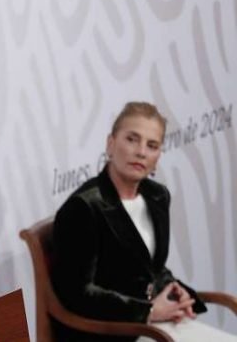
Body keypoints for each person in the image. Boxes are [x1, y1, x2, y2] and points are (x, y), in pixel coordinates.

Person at [52, 101, 237, 341]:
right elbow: (75, 293)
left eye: (152, 145)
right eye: (132, 139)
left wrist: (173, 289)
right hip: (103, 333)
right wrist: (146, 311)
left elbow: (150, 268)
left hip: (151, 327)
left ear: (158, 155)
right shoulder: (83, 207)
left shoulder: (157, 196)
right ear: (110, 144)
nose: (141, 152)